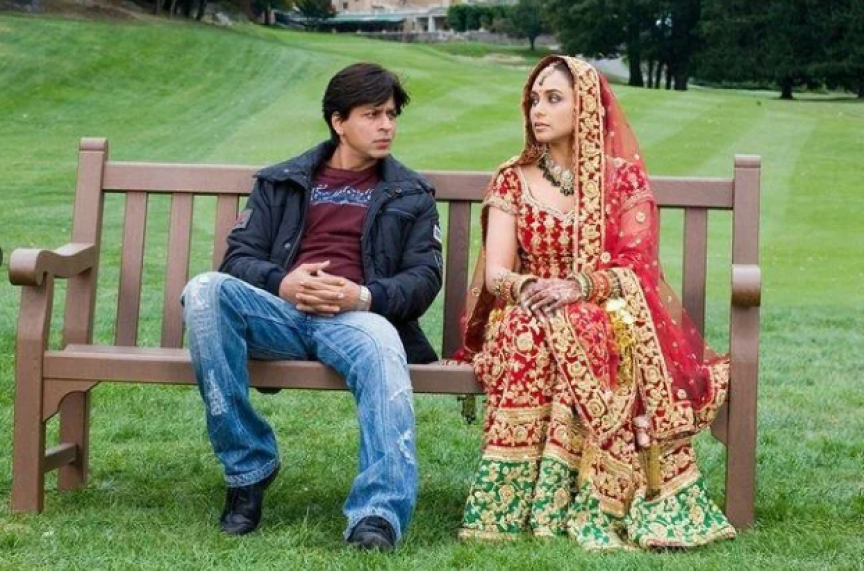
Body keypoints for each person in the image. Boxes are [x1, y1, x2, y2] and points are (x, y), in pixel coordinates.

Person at [456, 55, 736, 550]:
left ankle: (589, 493)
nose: (537, 110)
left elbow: (637, 267)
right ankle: (513, 501)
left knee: (587, 326)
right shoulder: (512, 178)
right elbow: (497, 273)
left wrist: (580, 287)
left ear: (585, 106)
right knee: (528, 329)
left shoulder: (622, 180)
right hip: (527, 305)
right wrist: (528, 288)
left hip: (603, 308)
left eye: (553, 99)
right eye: (534, 100)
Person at [181, 63, 442, 550]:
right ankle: (248, 468)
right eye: (372, 114)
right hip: (281, 315)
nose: (386, 125)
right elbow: (238, 259)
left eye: (391, 114)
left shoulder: (411, 193)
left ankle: (378, 513)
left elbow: (424, 279)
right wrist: (283, 284)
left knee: (382, 340)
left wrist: (361, 296)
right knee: (204, 291)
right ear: (338, 121)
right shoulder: (281, 181)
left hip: (358, 320)